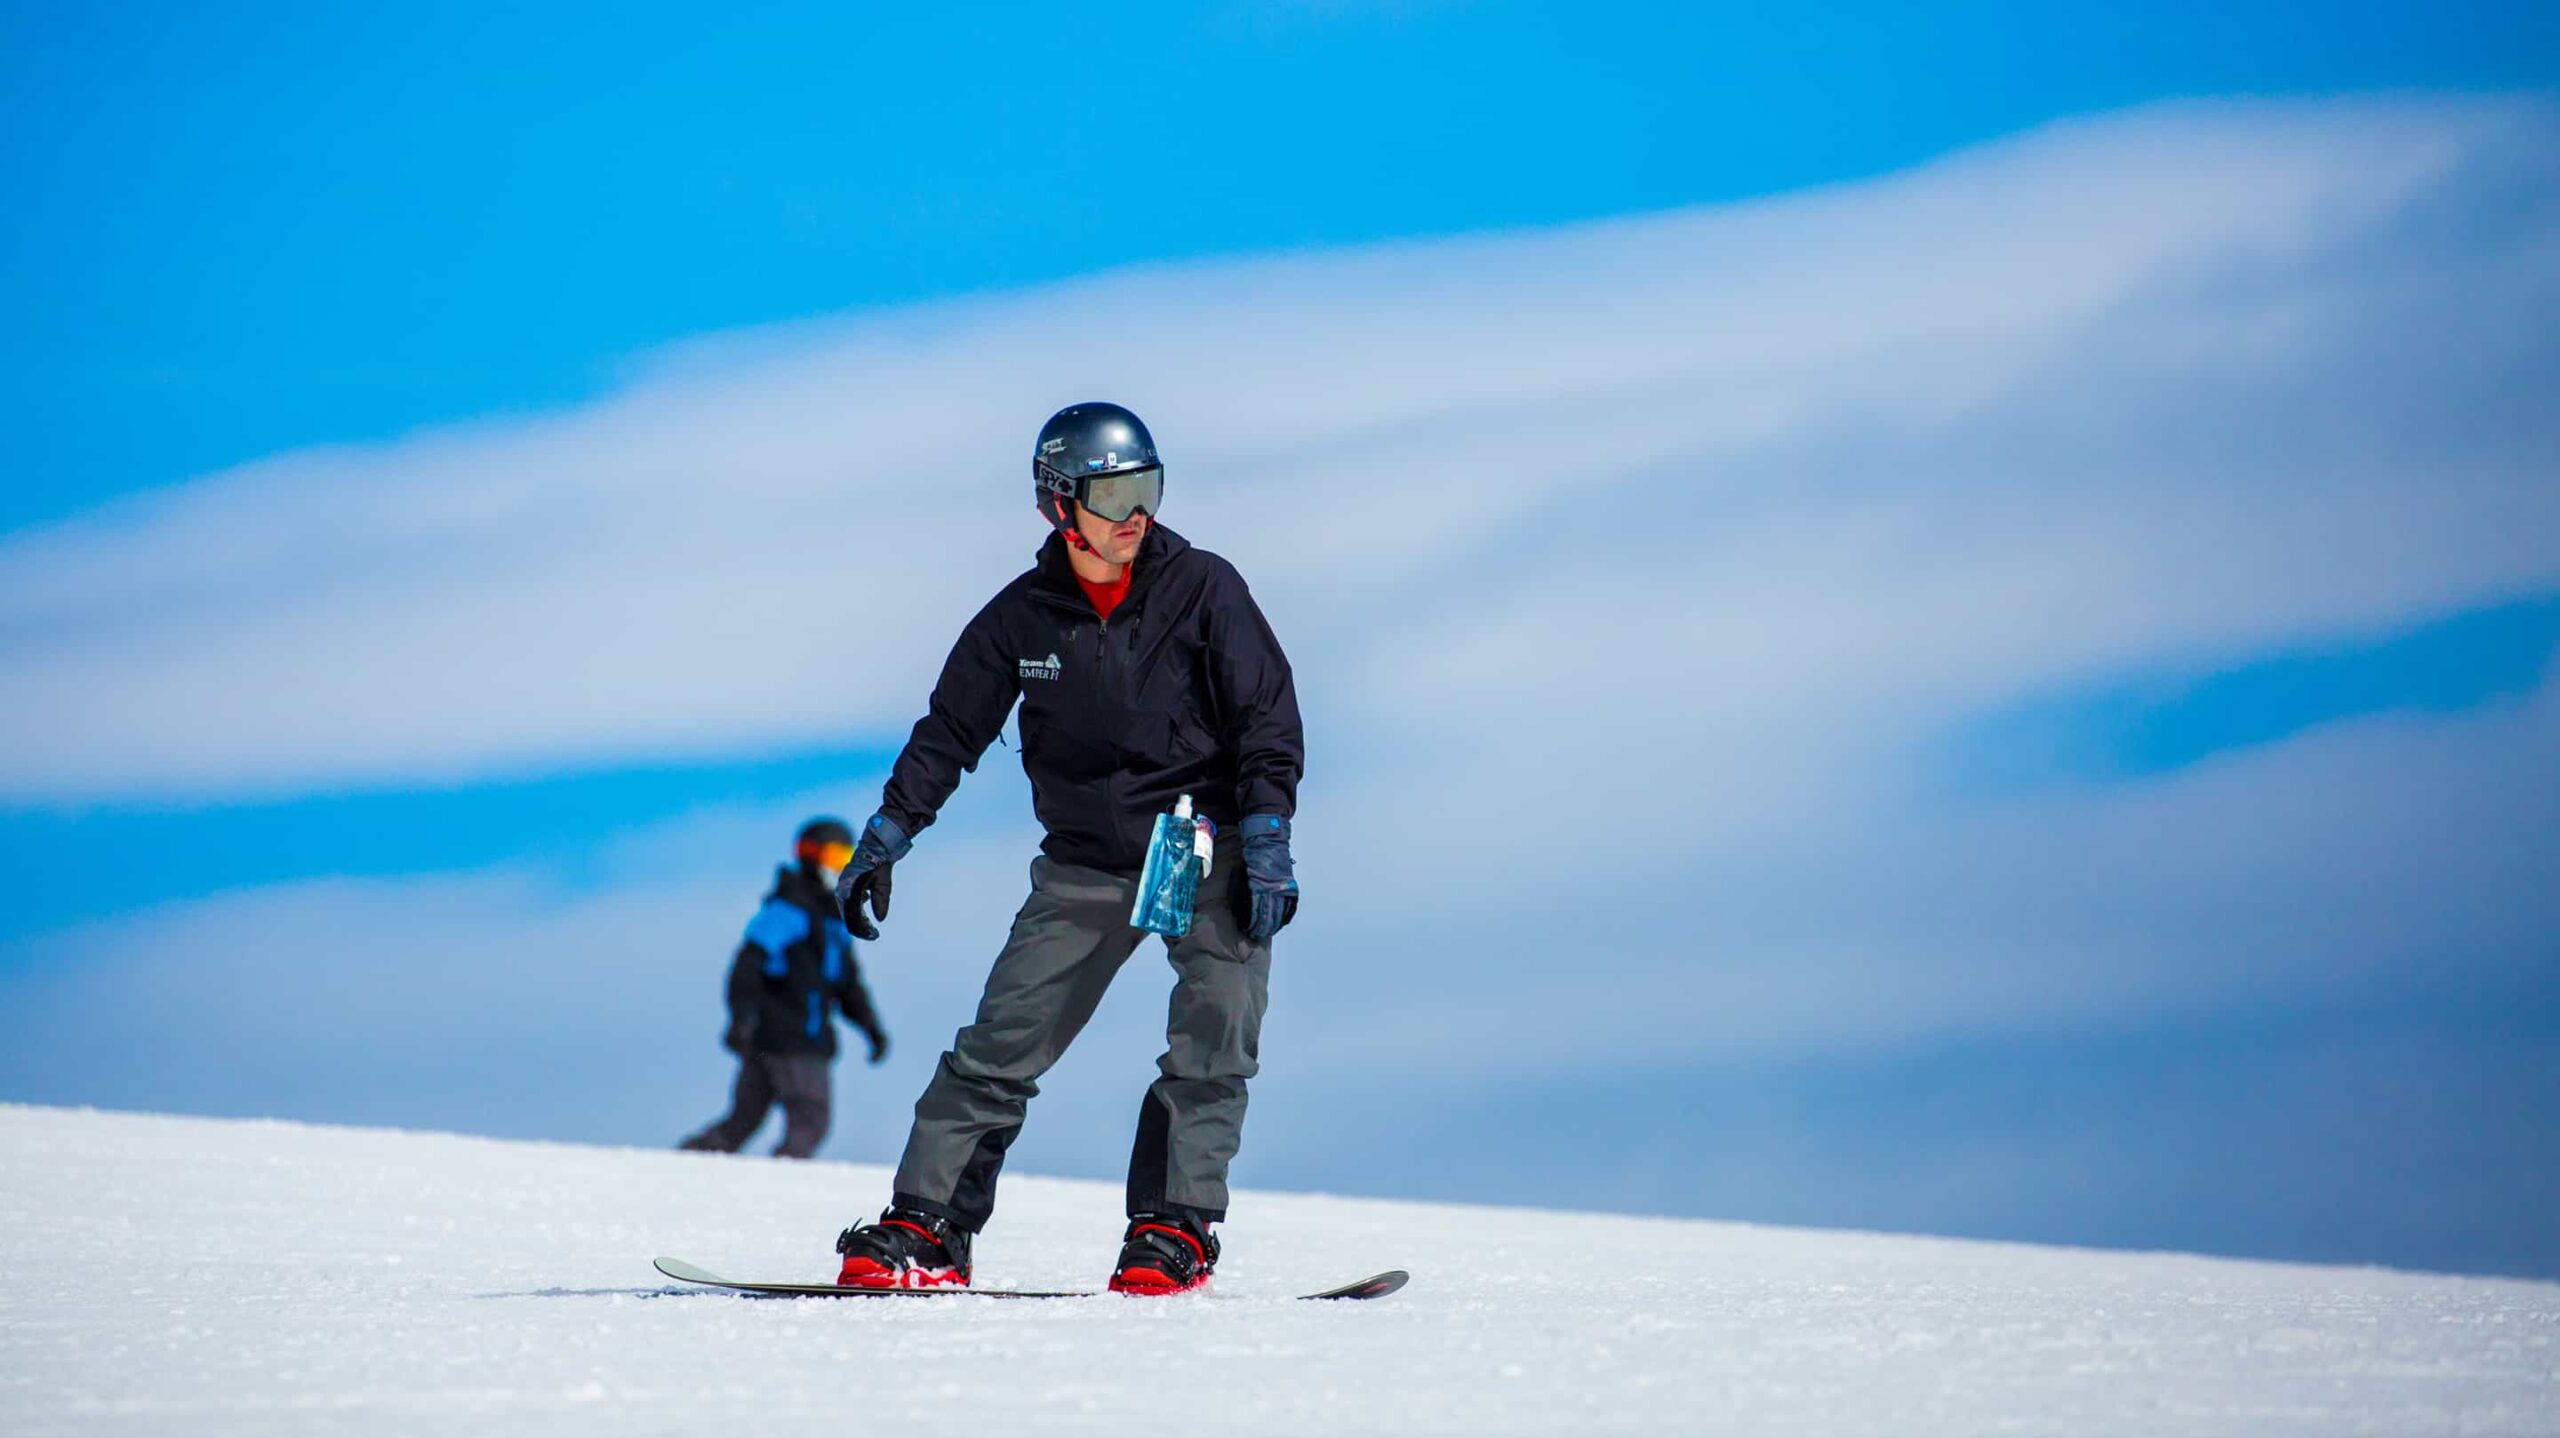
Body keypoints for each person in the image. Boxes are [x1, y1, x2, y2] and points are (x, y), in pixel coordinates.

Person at [828, 401, 1302, 1294]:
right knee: (999, 1043)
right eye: (1116, 493)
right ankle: (928, 1229)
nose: (1137, 516)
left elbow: (1267, 719)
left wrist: (1269, 834)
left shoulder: (1205, 588)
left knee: (1214, 1035)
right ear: (1058, 504)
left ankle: (1173, 1231)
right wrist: (885, 839)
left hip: (1208, 851)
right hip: (1086, 864)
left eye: (1148, 489)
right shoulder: (1022, 619)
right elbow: (948, 734)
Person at [680, 817, 889, 1160]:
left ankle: (684, 1163)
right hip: (792, 1038)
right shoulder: (791, 910)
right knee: (810, 1118)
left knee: (742, 1122)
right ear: (810, 855)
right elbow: (748, 965)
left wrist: (871, 1029)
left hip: (777, 1039)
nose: (838, 868)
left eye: (845, 858)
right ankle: (783, 1183)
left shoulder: (830, 917)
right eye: (833, 857)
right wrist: (741, 1018)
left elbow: (847, 986)